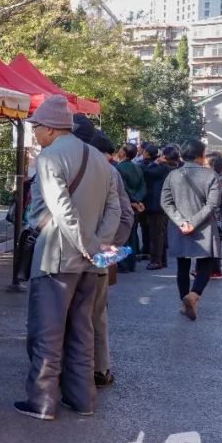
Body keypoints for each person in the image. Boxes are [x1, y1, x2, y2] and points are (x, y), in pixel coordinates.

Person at [14, 95, 120, 421]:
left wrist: (86, 244)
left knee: (47, 334)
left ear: (50, 128)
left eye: (36, 127)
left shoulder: (49, 158)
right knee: (82, 334)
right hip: (91, 264)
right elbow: (114, 208)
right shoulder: (101, 160)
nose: (34, 133)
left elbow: (61, 211)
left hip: (57, 257)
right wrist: (99, 246)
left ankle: (43, 402)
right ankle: (82, 399)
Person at [83, 130, 134, 389]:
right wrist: (110, 248)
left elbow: (124, 214)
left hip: (81, 255)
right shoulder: (109, 170)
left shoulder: (101, 170)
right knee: (97, 313)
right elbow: (126, 216)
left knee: (82, 314)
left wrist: (106, 248)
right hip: (100, 253)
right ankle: (99, 369)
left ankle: (85, 371)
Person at [161, 139, 222, 320]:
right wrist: (194, 222)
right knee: (206, 263)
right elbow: (212, 204)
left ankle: (184, 301)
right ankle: (194, 295)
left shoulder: (172, 175)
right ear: (200, 155)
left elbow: (165, 202)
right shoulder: (211, 175)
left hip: (179, 227)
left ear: (182, 155)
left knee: (182, 265)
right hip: (204, 226)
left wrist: (182, 222)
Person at [143, 144, 179, 269]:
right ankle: (161, 259)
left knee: (156, 234)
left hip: (157, 204)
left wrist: (155, 162)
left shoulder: (163, 167)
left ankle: (156, 260)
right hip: (165, 204)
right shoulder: (175, 167)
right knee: (161, 233)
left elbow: (147, 172)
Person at [114, 143, 146, 273]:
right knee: (133, 234)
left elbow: (123, 188)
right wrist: (138, 200)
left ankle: (124, 263)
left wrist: (132, 200)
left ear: (124, 153)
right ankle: (131, 262)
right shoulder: (137, 168)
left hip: (124, 204)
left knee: (122, 235)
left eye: (121, 149)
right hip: (136, 205)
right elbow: (142, 186)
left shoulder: (119, 168)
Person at [206, 152, 222, 279]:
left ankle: (215, 270)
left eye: (206, 164)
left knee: (215, 241)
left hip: (218, 216)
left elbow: (218, 200)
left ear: (213, 165)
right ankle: (208, 269)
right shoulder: (215, 178)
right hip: (213, 214)